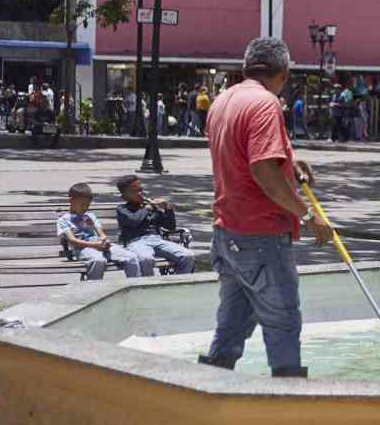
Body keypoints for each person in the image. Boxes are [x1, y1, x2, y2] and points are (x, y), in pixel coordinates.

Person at [197, 37, 333, 377]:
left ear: (247, 67)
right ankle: (288, 400)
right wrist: (308, 214)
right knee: (283, 321)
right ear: (283, 73)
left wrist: (288, 160)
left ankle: (209, 389)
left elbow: (244, 157)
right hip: (261, 236)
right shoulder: (265, 104)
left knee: (232, 325)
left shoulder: (224, 100)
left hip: (227, 232)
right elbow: (260, 170)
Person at [114, 174, 195, 276]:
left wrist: (167, 207)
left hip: (157, 240)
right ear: (124, 197)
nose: (140, 193)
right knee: (146, 259)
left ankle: (178, 285)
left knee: (187, 255)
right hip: (136, 242)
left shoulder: (149, 206)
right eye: (134, 192)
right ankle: (147, 287)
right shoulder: (122, 209)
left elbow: (170, 226)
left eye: (141, 190)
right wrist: (148, 208)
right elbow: (134, 220)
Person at [57, 183, 140, 280]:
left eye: (88, 205)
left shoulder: (90, 216)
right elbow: (73, 241)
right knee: (98, 260)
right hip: (84, 249)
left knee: (131, 257)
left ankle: (134, 286)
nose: (85, 208)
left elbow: (101, 234)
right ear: (70, 201)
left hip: (99, 245)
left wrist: (105, 241)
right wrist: (94, 245)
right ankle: (94, 289)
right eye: (82, 205)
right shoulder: (63, 220)